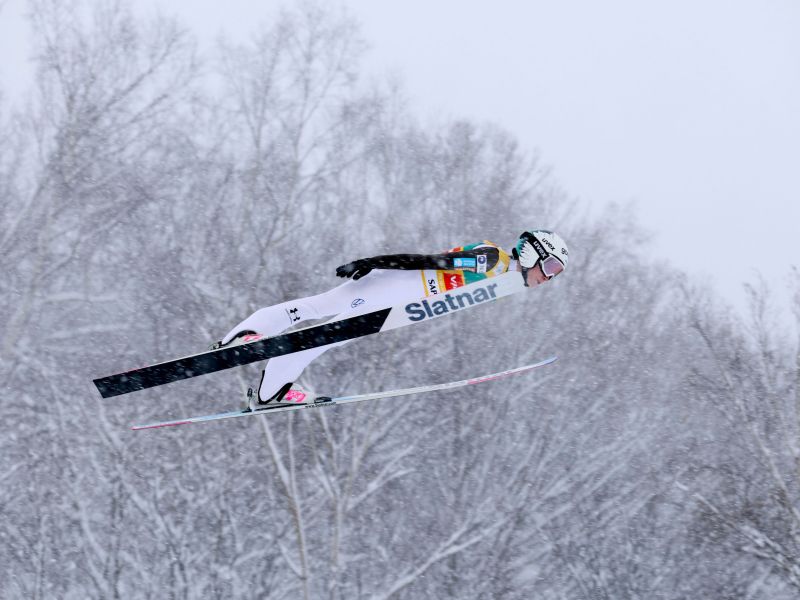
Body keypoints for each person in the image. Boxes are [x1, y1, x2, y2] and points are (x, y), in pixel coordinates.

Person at [217, 230, 569, 411]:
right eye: (551, 267)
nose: (550, 277)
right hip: (394, 287)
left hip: (395, 295)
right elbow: (432, 262)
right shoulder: (493, 260)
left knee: (318, 310)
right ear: (530, 252)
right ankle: (264, 375)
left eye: (558, 273)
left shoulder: (502, 280)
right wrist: (374, 261)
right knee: (322, 335)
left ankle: (260, 363)